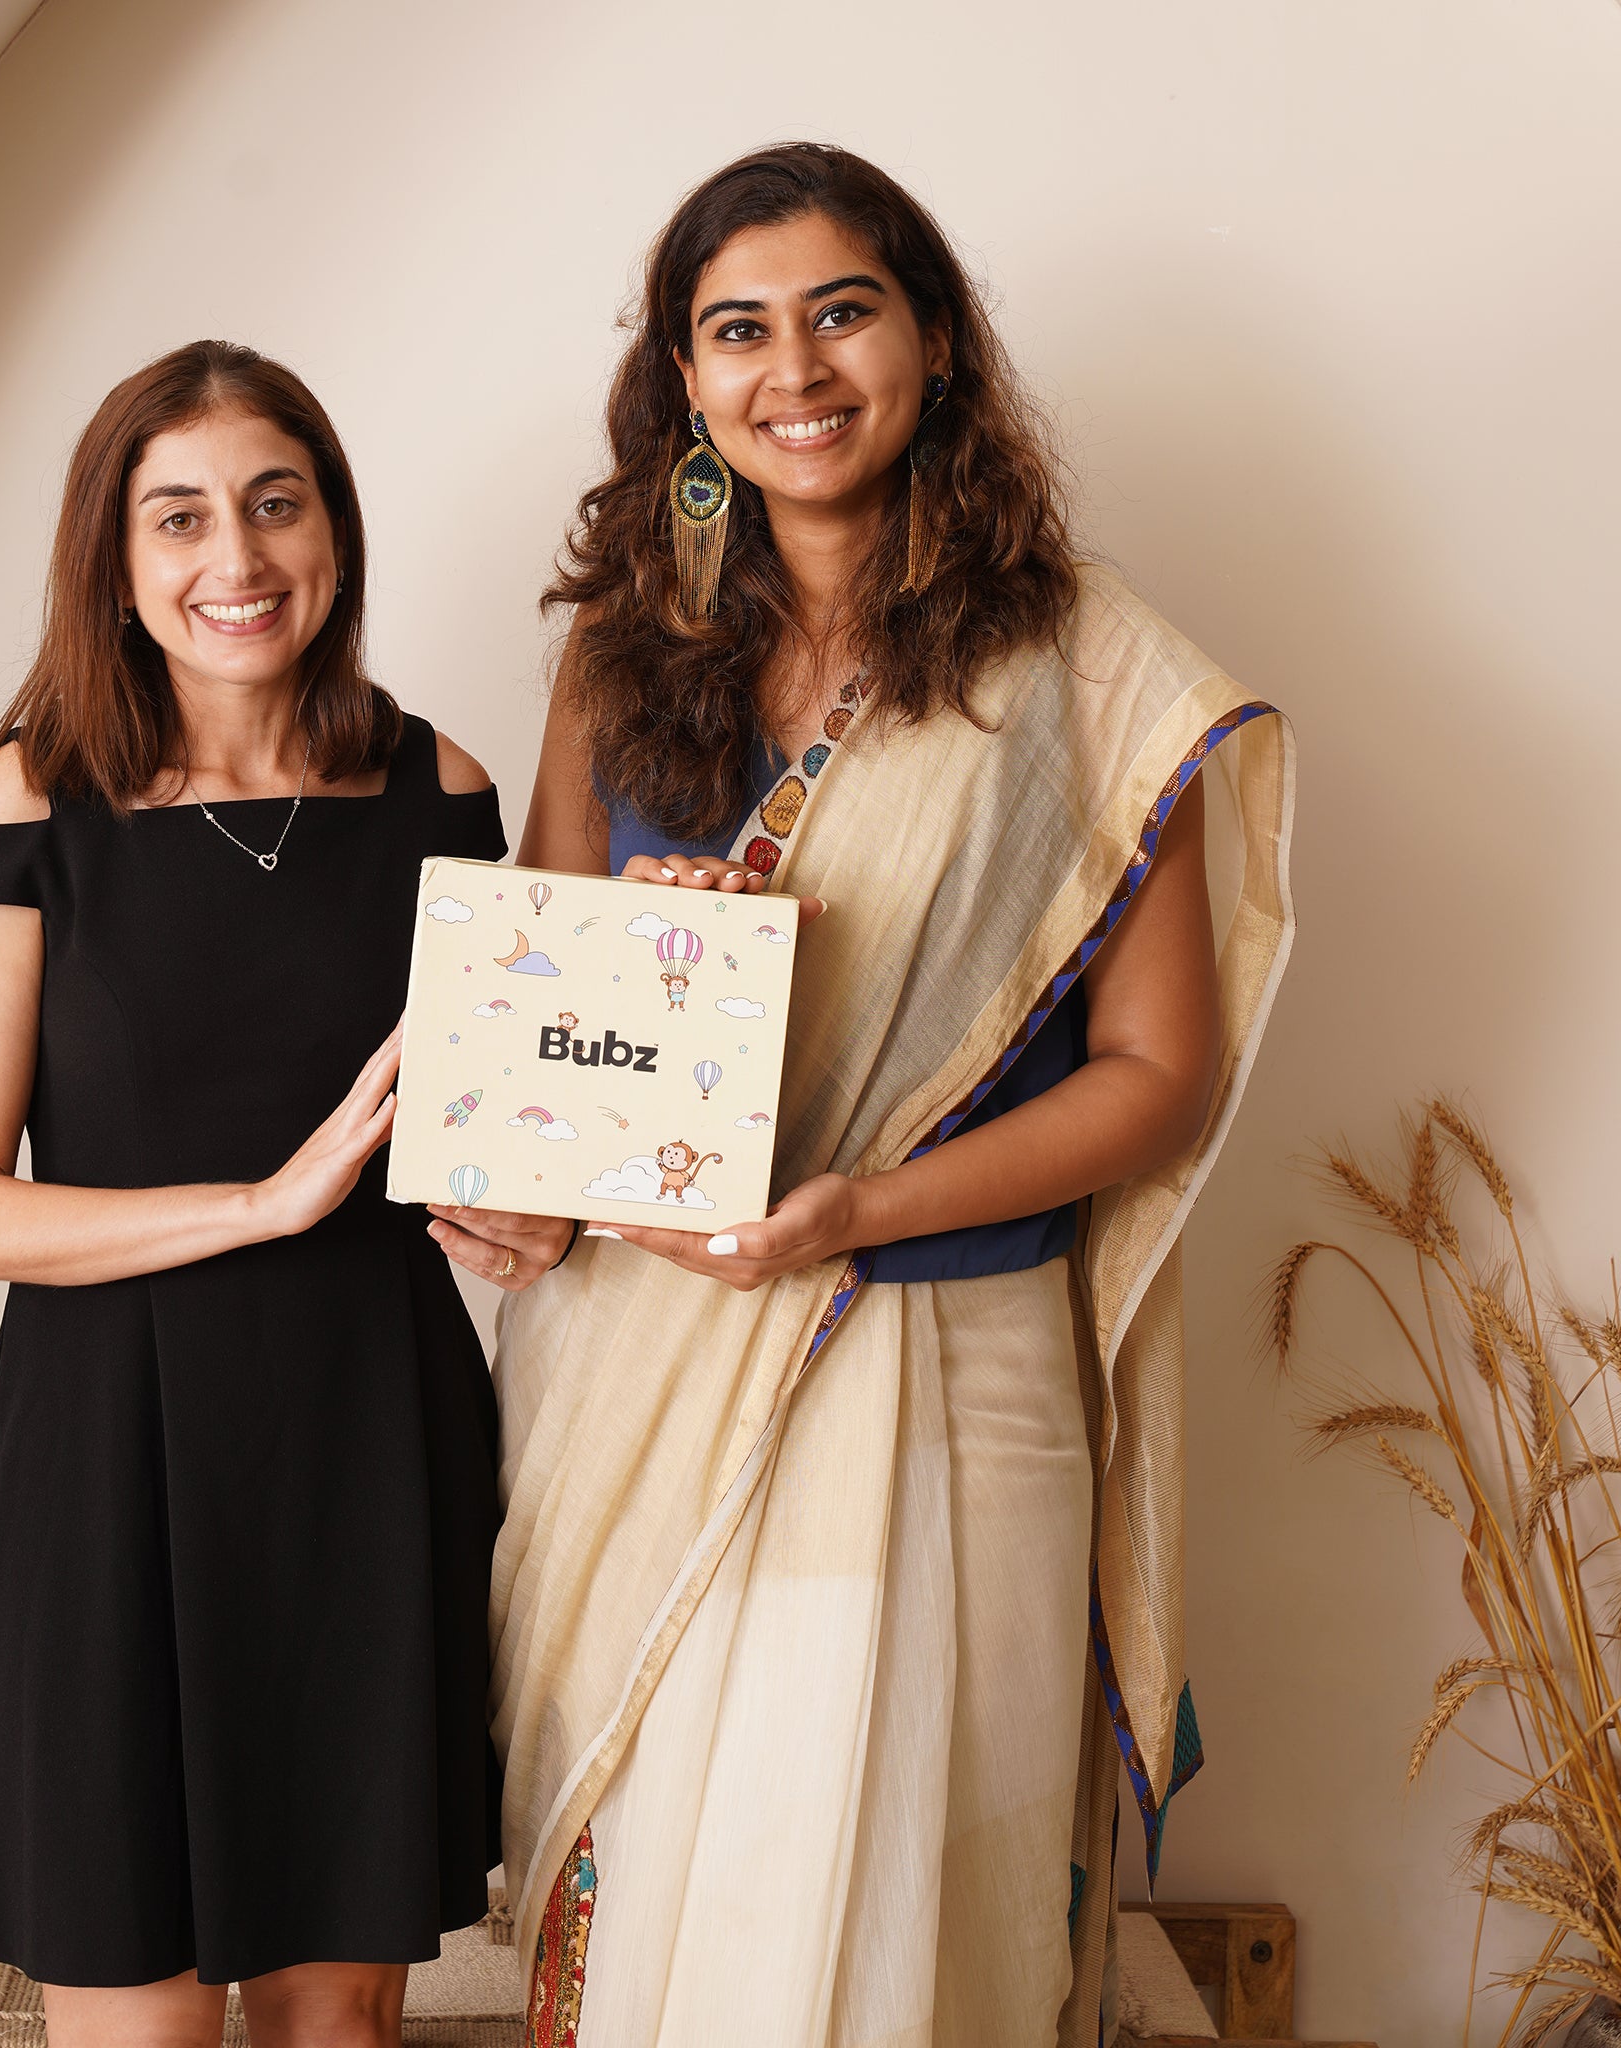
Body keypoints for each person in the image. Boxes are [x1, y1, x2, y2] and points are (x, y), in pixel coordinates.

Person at [488, 144, 1296, 2045]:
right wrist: (517, 1168)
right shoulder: (624, 653)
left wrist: (856, 1209)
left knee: (910, 1915)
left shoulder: (1089, 674)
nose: (796, 366)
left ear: (933, 337)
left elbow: (1157, 1077)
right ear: (682, 384)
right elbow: (542, 1008)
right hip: (640, 1362)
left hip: (952, 1359)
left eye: (842, 309)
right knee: (670, 1865)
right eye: (736, 328)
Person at [0, 339, 568, 2048]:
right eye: (177, 518)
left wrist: (540, 1220)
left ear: (332, 528)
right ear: (113, 558)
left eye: (276, 504)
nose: (235, 562)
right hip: (106, 1459)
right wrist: (259, 1204)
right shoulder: (29, 794)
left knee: (340, 2026)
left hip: (371, 1447)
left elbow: (505, 1145)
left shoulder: (443, 791)